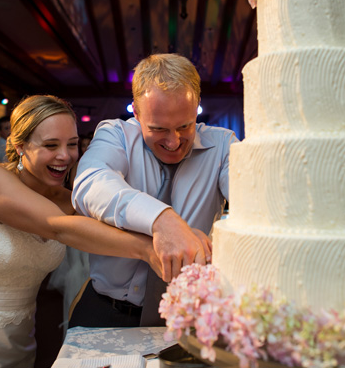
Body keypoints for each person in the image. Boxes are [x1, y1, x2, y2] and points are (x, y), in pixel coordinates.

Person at [0, 95, 162, 368]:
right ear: (20, 146)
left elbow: (114, 227)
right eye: (51, 145)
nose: (64, 156)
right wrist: (150, 249)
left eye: (72, 144)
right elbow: (58, 228)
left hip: (19, 343)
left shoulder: (69, 201)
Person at [71, 53, 238, 327]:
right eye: (159, 129)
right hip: (107, 311)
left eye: (185, 126)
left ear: (196, 106)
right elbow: (90, 183)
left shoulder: (222, 145)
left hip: (190, 316)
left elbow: (255, 208)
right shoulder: (116, 135)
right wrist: (163, 220)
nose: (174, 142)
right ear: (136, 112)